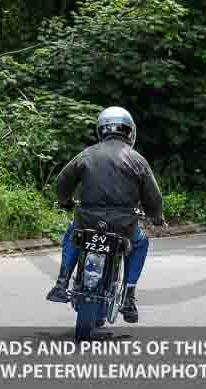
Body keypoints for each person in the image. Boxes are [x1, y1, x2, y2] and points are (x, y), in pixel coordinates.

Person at [46, 106, 164, 323]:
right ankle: (128, 296)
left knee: (73, 235)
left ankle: (62, 283)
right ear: (129, 132)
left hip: (87, 220)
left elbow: (62, 181)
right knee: (140, 244)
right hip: (123, 226)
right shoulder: (137, 160)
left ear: (101, 130)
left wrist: (65, 201)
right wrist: (156, 216)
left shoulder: (86, 154)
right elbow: (153, 197)